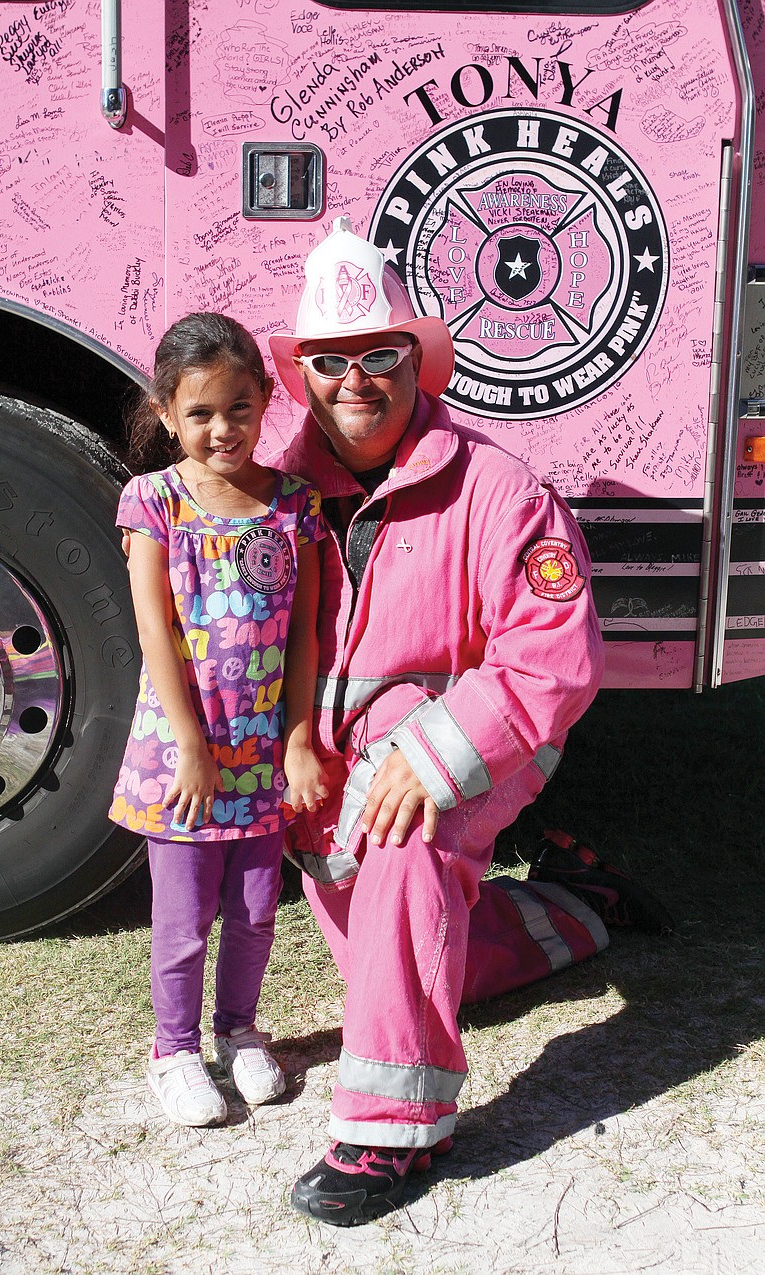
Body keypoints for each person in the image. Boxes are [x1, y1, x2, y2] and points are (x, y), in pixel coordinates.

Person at [264, 216, 618, 1224]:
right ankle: (577, 910)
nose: (355, 380)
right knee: (398, 947)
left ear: (416, 360)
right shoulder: (282, 490)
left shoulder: (500, 488)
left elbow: (555, 658)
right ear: (304, 372)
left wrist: (429, 760)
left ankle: (389, 1135)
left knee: (406, 841)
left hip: (483, 730)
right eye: (330, 361)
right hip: (340, 747)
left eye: (379, 355)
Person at [109, 312, 329, 1128]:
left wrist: (300, 737)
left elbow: (306, 631)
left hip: (263, 757)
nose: (222, 428)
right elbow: (154, 629)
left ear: (265, 401)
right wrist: (192, 748)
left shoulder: (295, 506)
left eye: (238, 407)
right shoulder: (153, 500)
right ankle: (173, 1049)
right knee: (183, 917)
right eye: (199, 413)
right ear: (167, 413)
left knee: (257, 908)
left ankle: (239, 1030)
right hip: (184, 759)